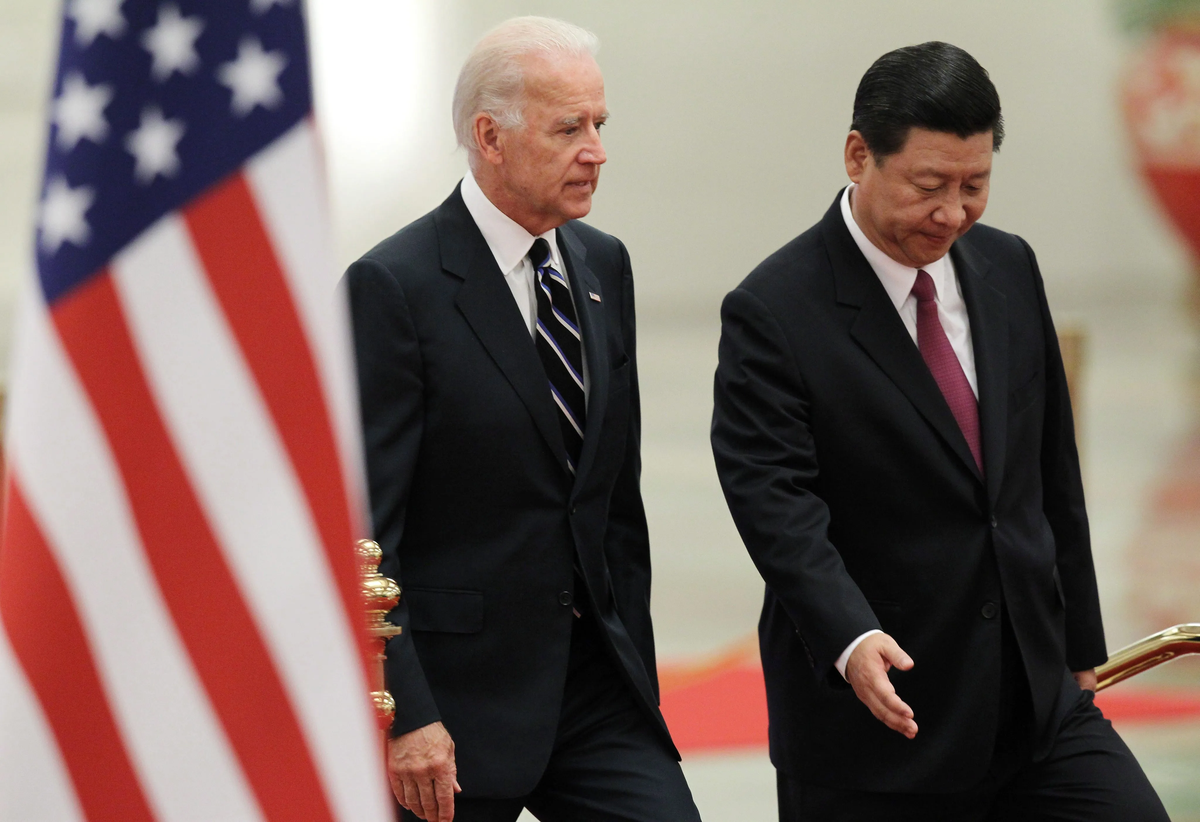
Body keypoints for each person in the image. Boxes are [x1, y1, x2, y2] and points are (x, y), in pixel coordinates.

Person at [711, 41, 1168, 821]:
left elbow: (1051, 472)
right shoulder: (774, 311)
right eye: (930, 186)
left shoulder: (1008, 267)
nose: (953, 213)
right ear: (859, 156)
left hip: (1034, 703)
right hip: (881, 716)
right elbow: (776, 506)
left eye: (975, 185)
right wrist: (851, 638)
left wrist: (1079, 646)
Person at [344, 16, 700, 822]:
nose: (597, 150)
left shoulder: (602, 263)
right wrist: (402, 715)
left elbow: (614, 501)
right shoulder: (395, 288)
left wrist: (635, 670)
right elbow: (362, 527)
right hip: (454, 707)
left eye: (600, 124)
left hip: (594, 690)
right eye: (568, 128)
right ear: (489, 137)